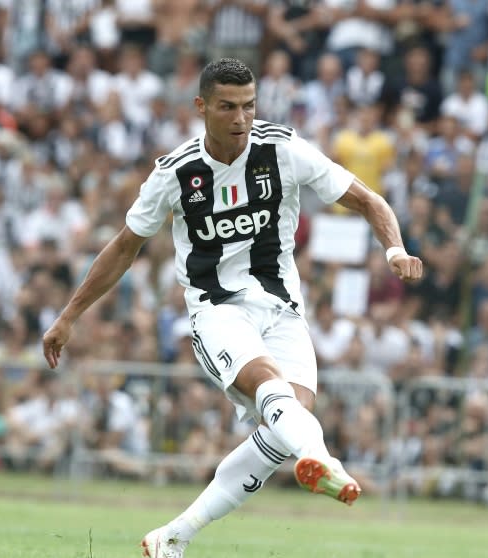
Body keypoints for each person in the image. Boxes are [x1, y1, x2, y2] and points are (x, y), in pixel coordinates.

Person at [41, 58, 422, 558]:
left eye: (248, 106)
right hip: (216, 309)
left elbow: (369, 200)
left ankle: (172, 537)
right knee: (274, 391)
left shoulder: (282, 149)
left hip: (283, 308)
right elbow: (123, 246)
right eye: (227, 107)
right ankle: (324, 460)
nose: (240, 118)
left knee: (287, 421)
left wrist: (393, 248)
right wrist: (70, 314)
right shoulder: (175, 173)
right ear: (202, 107)